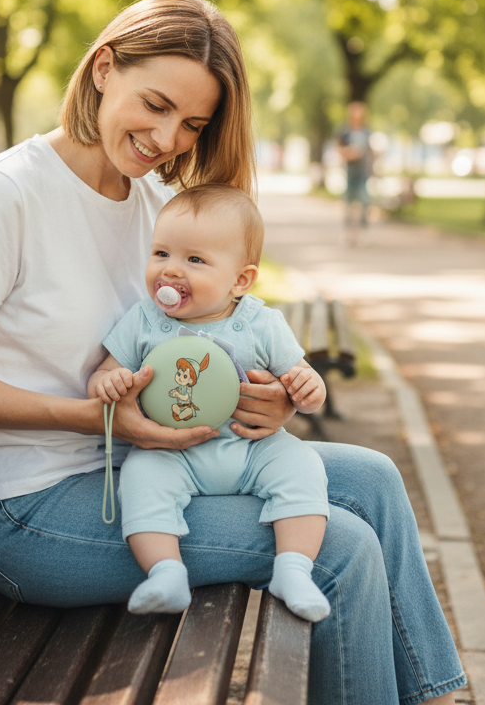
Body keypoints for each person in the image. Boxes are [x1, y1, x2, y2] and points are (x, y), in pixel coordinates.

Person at [0, 0, 465, 705]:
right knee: (340, 548)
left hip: (142, 467)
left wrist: (256, 396)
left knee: (375, 479)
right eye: (157, 105)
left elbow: (187, 341)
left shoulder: (148, 201)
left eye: (192, 123)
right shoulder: (7, 196)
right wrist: (96, 419)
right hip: (29, 510)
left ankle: (431, 696)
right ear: (104, 67)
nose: (168, 138)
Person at [89, 185, 331, 621]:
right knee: (140, 478)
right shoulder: (144, 319)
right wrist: (110, 384)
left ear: (240, 279)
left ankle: (293, 569)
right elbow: (104, 374)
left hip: (249, 448)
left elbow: (300, 376)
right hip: (170, 453)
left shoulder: (260, 322)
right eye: (161, 253)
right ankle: (165, 572)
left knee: (302, 466)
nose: (171, 271)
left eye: (194, 260)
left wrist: (308, 389)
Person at [337, 100, 372, 237]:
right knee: (348, 202)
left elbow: (370, 150)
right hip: (350, 172)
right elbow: (339, 147)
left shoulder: (366, 131)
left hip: (363, 172)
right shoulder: (345, 131)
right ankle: (347, 232)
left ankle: (363, 231)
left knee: (364, 201)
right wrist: (349, 153)